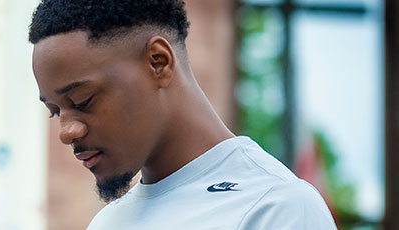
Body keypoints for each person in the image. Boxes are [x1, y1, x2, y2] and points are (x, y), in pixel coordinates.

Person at [27, 0, 336, 229]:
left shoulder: (275, 208)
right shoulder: (107, 223)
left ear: (158, 62)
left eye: (82, 100)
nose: (66, 132)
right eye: (55, 112)